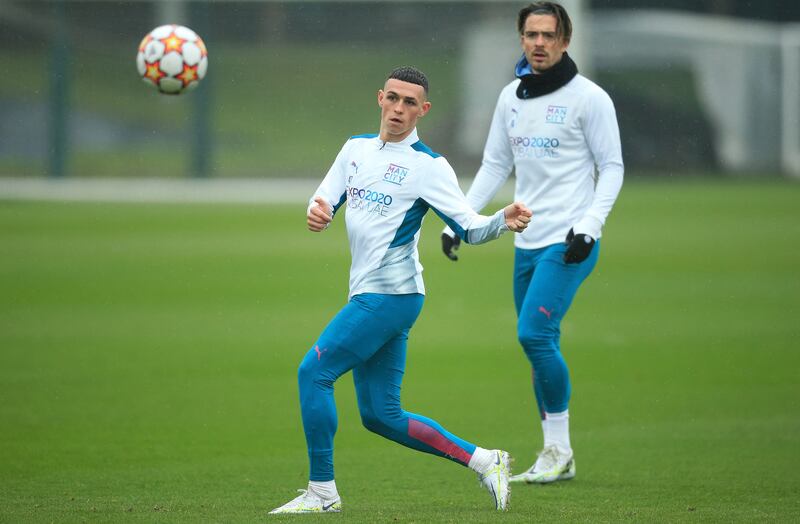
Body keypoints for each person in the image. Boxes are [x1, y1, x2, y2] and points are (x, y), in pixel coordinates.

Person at [269, 66, 533, 515]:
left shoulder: (429, 167)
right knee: (380, 416)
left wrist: (500, 221)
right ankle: (487, 460)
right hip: (373, 295)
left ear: (423, 110)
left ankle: (322, 492)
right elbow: (325, 198)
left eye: (410, 103)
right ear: (379, 98)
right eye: (393, 98)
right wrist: (317, 213)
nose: (399, 108)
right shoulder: (354, 150)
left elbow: (467, 229)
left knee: (312, 373)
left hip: (390, 296)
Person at [441, 2, 624, 485]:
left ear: (565, 40)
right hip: (526, 241)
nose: (539, 43)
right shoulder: (511, 98)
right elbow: (495, 167)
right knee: (538, 344)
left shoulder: (590, 99)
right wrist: (460, 219)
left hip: (569, 241)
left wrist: (590, 224)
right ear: (521, 39)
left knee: (533, 335)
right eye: (530, 34)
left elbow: (613, 167)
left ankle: (559, 450)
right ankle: (556, 455)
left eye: (548, 34)